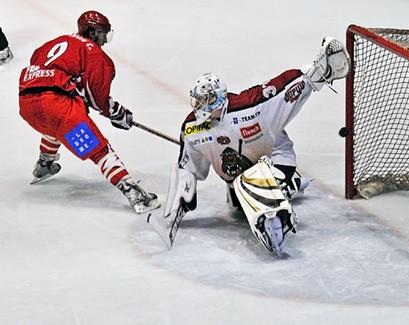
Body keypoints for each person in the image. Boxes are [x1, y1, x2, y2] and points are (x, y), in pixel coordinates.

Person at [158, 37, 350, 253]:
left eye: (206, 100)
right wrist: (179, 203)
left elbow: (284, 86)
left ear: (219, 99)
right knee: (240, 203)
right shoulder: (192, 129)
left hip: (276, 157)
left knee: (257, 181)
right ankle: (282, 188)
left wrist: (318, 71)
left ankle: (283, 207)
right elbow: (188, 169)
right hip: (238, 177)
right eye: (198, 101)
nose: (200, 107)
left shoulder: (252, 107)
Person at [18, 10, 160, 214]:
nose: (105, 39)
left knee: (54, 126)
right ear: (92, 32)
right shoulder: (93, 52)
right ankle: (133, 193)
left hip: (27, 105)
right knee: (99, 150)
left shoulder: (58, 41)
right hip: (59, 108)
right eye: (103, 33)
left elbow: (37, 62)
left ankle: (44, 164)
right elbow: (97, 98)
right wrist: (116, 113)